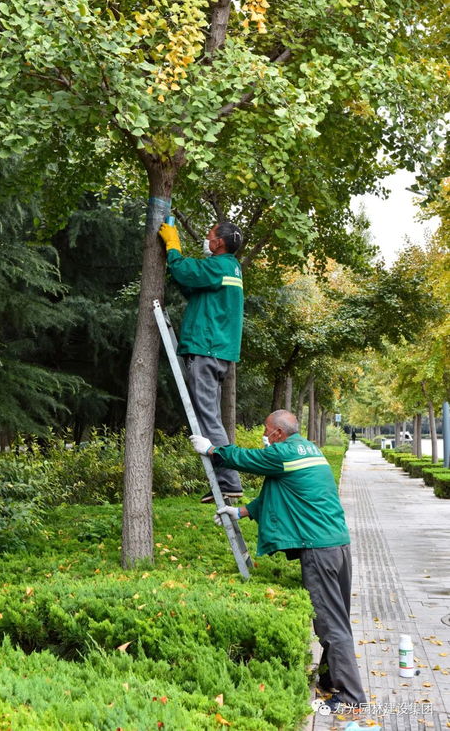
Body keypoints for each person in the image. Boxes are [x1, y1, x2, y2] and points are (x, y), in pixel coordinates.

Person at [189, 409, 367, 712]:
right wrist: (241, 512)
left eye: (265, 430)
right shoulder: (309, 449)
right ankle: (329, 679)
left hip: (318, 549)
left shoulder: (282, 453)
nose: (264, 435)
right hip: (338, 544)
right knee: (338, 618)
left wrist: (212, 450)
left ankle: (352, 697)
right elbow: (283, 492)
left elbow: (246, 459)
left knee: (328, 624)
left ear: (277, 433)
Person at [158, 219, 244, 503]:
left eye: (209, 236)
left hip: (207, 349)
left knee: (207, 417)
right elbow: (193, 287)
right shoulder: (230, 268)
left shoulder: (218, 266)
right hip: (218, 351)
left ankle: (228, 480)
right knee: (211, 416)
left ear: (219, 242)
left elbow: (185, 270)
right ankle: (227, 479)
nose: (206, 240)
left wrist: (173, 245)